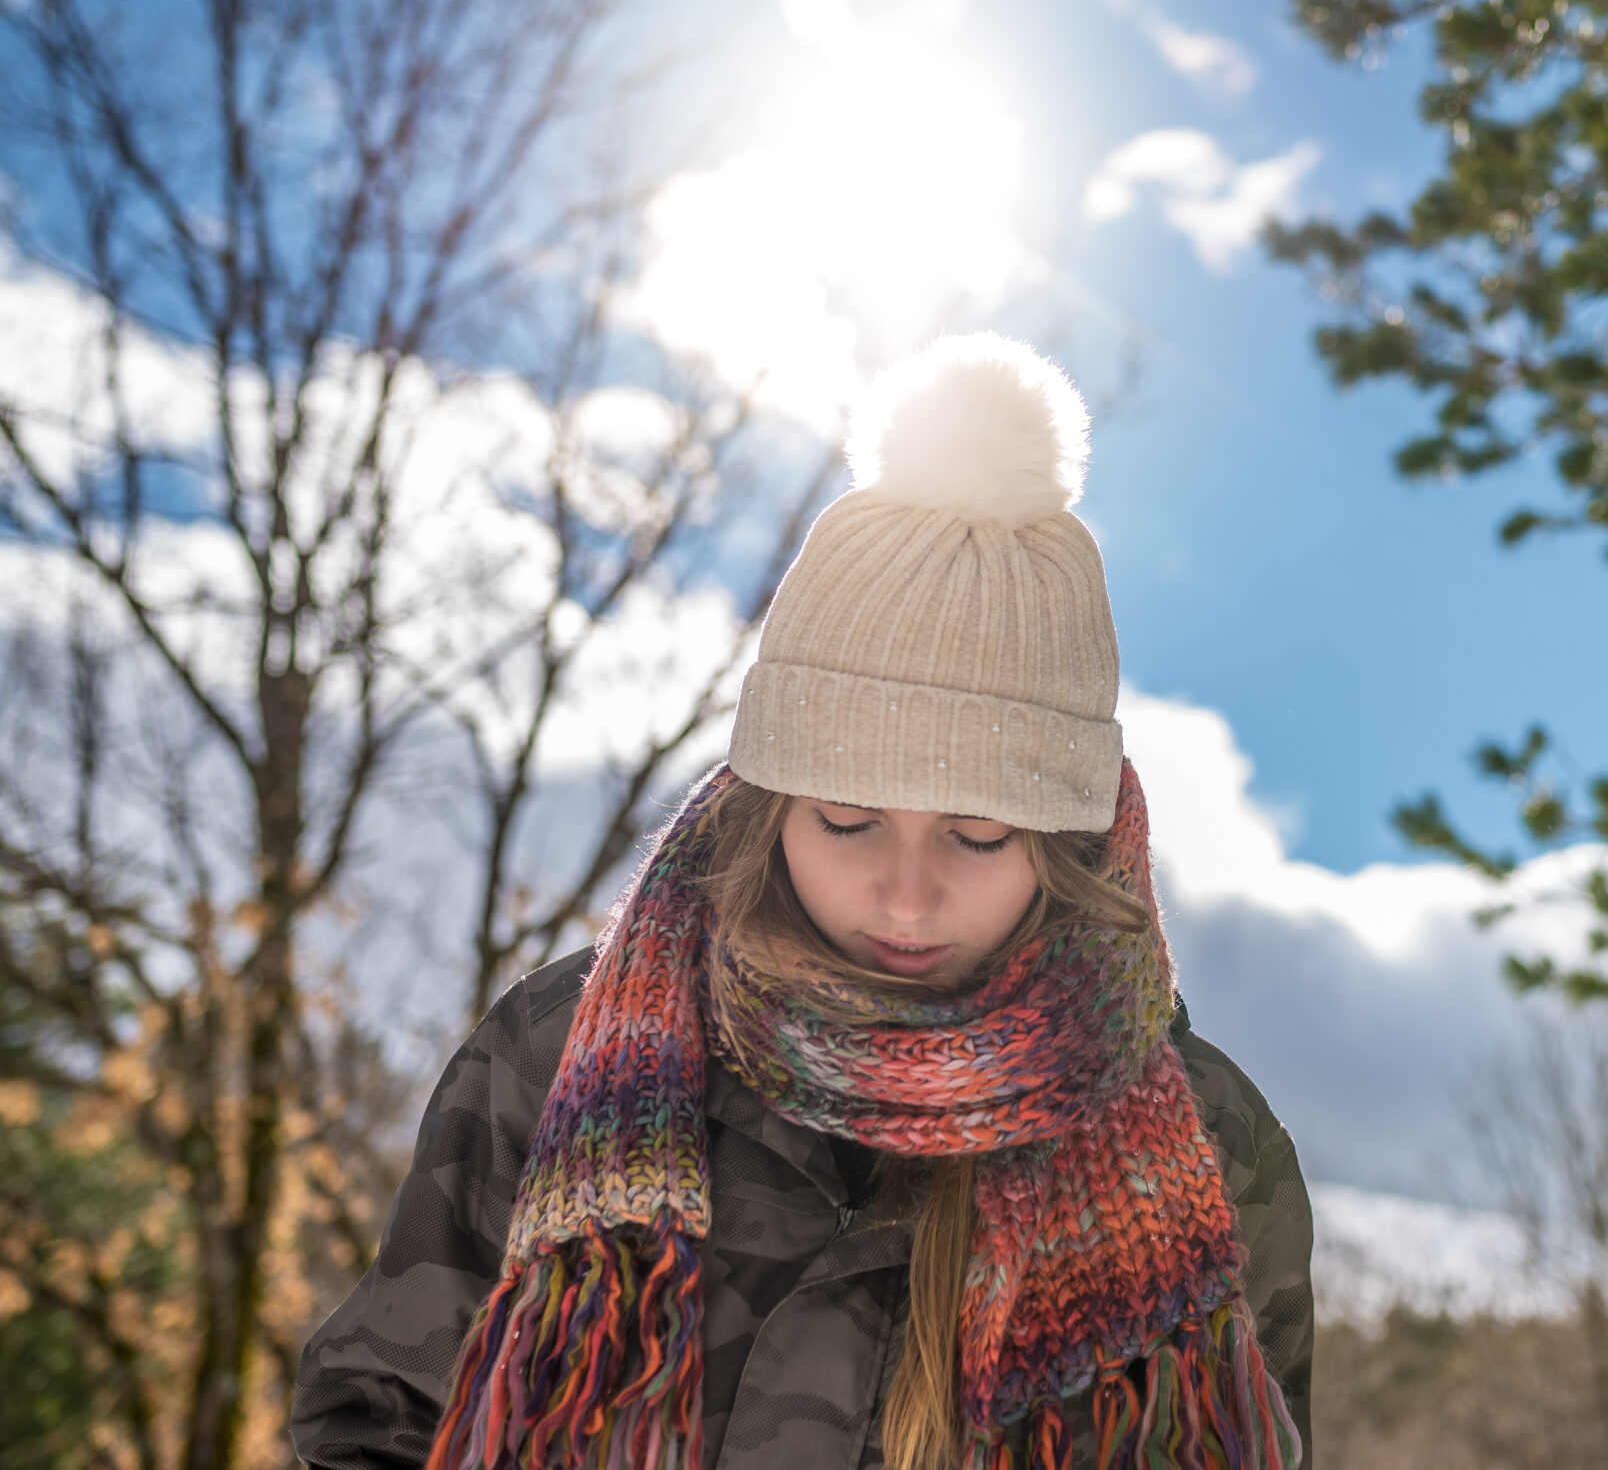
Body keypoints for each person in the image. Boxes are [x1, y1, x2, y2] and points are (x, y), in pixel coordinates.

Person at [290, 335, 1314, 1470]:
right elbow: (376, 1418)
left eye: (976, 835)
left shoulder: (1218, 1147)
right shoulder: (552, 1054)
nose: (906, 891)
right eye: (846, 820)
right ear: (769, 803)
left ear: (1069, 842)